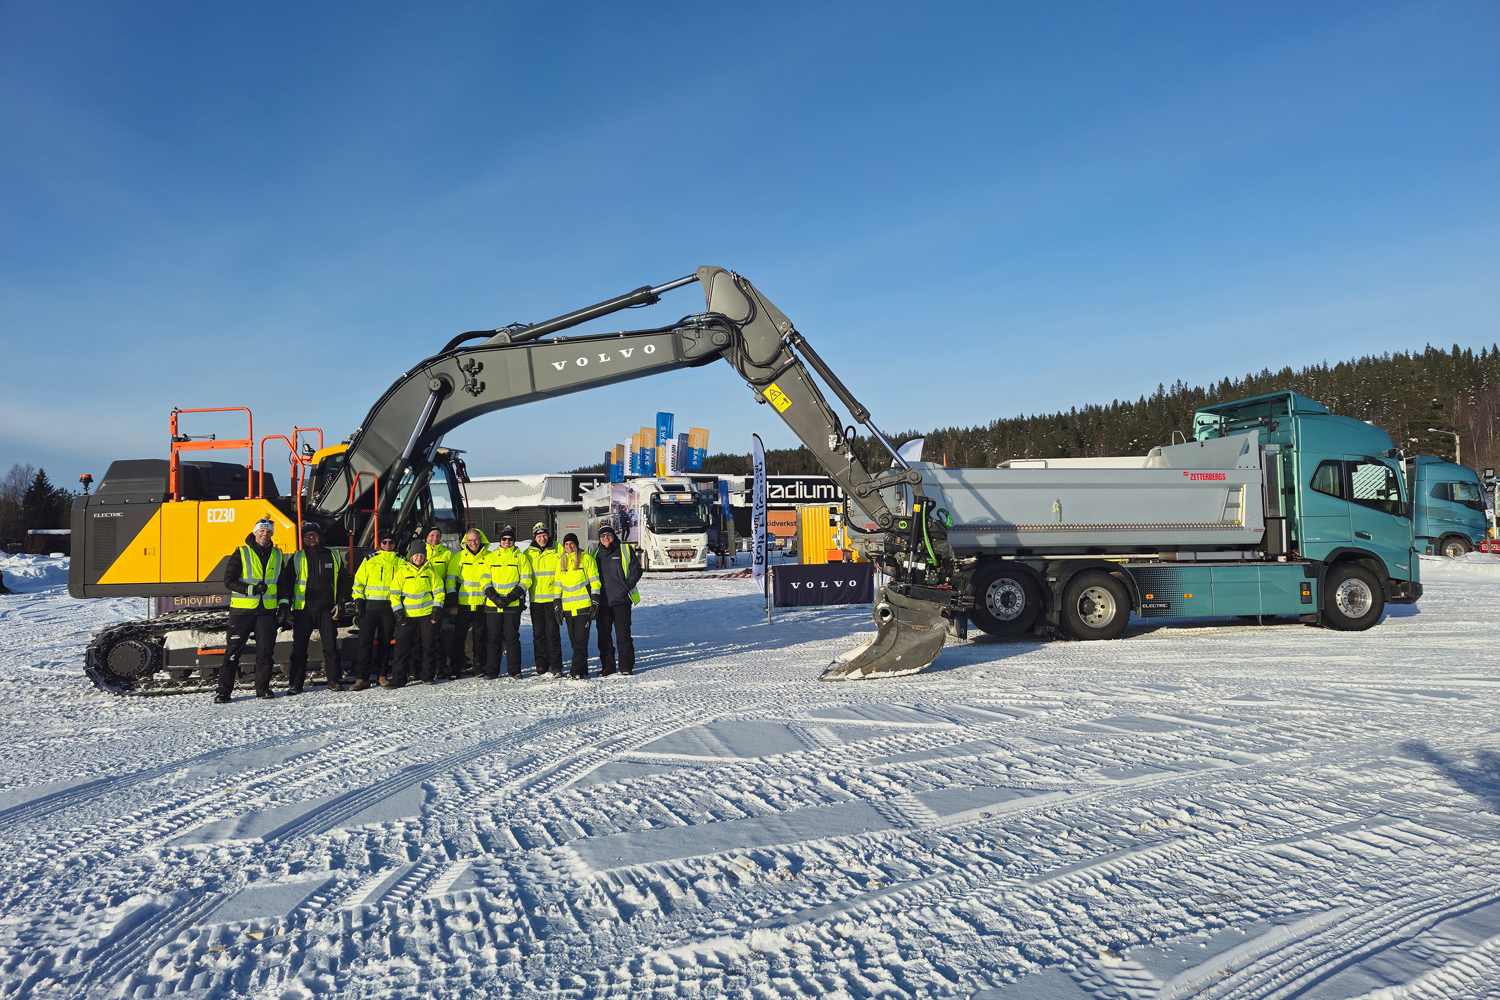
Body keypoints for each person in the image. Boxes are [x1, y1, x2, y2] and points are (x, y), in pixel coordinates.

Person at [217, 517, 287, 703]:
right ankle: (223, 692)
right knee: (232, 652)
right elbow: (229, 581)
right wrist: (252, 590)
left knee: (265, 652)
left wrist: (284, 604)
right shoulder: (241, 552)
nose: (265, 534)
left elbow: (282, 583)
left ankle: (262, 689)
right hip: (242, 611)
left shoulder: (278, 555)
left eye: (268, 531)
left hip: (266, 612)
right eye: (261, 531)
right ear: (255, 532)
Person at [286, 522, 346, 693]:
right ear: (303, 539)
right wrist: (286, 606)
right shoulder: (297, 558)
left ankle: (333, 681)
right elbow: (288, 583)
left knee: (331, 647)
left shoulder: (333, 556)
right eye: (307, 535)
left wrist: (340, 602)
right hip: (303, 610)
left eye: (314, 534)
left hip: (327, 610)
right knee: (299, 648)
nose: (311, 538)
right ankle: (296, 683)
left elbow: (342, 580)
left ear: (319, 536)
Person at [351, 531, 402, 690]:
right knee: (364, 643)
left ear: (395, 544)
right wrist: (358, 600)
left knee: (385, 644)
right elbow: (358, 582)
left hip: (390, 607)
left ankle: (382, 675)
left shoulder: (401, 562)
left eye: (391, 542)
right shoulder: (369, 560)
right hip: (370, 607)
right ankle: (362, 678)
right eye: (384, 542)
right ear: (380, 544)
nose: (388, 545)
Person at [590, 524, 642, 676]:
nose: (605, 538)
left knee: (623, 635)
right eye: (602, 536)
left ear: (614, 535)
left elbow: (637, 570)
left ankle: (626, 666)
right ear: (599, 538)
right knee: (604, 637)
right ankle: (608, 666)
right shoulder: (594, 553)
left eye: (608, 534)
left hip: (622, 601)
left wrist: (626, 586)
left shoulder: (625, 550)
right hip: (603, 602)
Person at [390, 546, 444, 686]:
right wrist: (398, 612)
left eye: (421, 555)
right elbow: (394, 593)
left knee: (428, 646)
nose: (419, 558)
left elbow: (439, 591)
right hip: (408, 616)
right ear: (411, 556)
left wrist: (437, 610)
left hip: (427, 615)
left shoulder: (430, 571)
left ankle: (427, 676)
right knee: (402, 648)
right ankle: (398, 679)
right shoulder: (402, 571)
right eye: (416, 555)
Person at [481, 526, 531, 678]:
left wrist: (511, 597)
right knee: (493, 638)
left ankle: (514, 671)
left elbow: (527, 579)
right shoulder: (490, 557)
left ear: (514, 541)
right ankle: (491, 670)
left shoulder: (521, 557)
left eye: (510, 539)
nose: (507, 542)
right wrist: (494, 597)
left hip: (512, 605)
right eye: (504, 539)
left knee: (512, 638)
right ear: (500, 541)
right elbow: (484, 580)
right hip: (493, 605)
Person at [555, 533, 600, 678]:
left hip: (583, 607)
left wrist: (595, 600)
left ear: (576, 544)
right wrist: (557, 604)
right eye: (566, 544)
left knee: (581, 641)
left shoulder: (586, 559)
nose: (569, 546)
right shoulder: (561, 562)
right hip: (568, 608)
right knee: (574, 642)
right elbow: (557, 586)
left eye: (571, 543)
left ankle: (575, 672)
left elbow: (595, 581)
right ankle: (583, 669)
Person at [448, 528, 492, 678]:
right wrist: (453, 603)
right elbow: (450, 581)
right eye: (470, 540)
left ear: (481, 540)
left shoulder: (489, 557)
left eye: (476, 540)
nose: (473, 543)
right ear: (465, 541)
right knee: (459, 637)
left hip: (482, 605)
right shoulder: (459, 557)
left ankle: (479, 667)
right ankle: (456, 667)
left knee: (480, 638)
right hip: (462, 605)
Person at [524, 522, 564, 676]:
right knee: (538, 634)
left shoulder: (558, 548)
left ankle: (556, 666)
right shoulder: (529, 553)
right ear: (534, 537)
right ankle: (541, 665)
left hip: (552, 599)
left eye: (544, 535)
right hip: (536, 601)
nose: (542, 538)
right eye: (539, 536)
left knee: (553, 633)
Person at [422, 526, 461, 678]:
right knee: (424, 634)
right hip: (421, 599)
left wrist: (452, 602)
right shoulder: (418, 552)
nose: (435, 538)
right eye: (432, 535)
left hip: (440, 598)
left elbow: (451, 578)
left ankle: (439, 666)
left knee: (438, 634)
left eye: (438, 535)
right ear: (426, 537)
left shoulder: (447, 554)